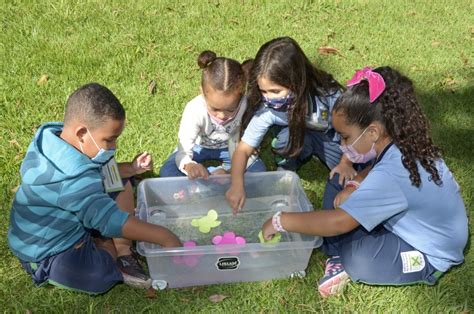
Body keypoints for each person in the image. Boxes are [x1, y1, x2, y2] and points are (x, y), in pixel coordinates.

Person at [261, 67, 468, 297]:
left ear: (372, 133)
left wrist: (281, 221)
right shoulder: (403, 141)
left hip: (427, 250)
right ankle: (338, 247)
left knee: (357, 257)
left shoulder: (390, 176)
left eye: (346, 137)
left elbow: (339, 222)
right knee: (341, 179)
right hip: (408, 221)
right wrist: (355, 183)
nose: (341, 144)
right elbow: (376, 166)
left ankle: (342, 257)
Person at [8, 83, 182, 294]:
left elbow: (102, 175)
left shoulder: (55, 142)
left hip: (70, 217)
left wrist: (131, 168)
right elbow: (108, 220)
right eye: (109, 140)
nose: (113, 147)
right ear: (82, 133)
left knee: (121, 183)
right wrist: (165, 236)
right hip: (47, 251)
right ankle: (110, 248)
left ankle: (121, 248)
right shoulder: (72, 180)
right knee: (98, 278)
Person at [226, 36, 357, 212]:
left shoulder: (328, 96)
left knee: (343, 177)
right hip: (298, 135)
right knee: (285, 141)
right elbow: (243, 150)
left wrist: (346, 162)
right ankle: (289, 164)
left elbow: (353, 131)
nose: (268, 98)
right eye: (263, 91)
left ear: (296, 80)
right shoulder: (268, 109)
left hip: (333, 139)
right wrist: (236, 184)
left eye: (275, 91)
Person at [159, 50, 266, 179]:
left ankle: (213, 176)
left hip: (232, 147)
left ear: (242, 95)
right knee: (167, 171)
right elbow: (184, 150)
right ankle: (211, 176)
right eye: (214, 109)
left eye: (230, 110)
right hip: (199, 147)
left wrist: (230, 172)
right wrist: (189, 166)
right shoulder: (194, 109)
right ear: (202, 92)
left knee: (259, 171)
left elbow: (251, 147)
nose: (221, 116)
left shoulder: (246, 106)